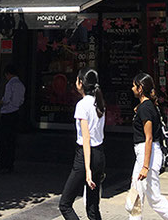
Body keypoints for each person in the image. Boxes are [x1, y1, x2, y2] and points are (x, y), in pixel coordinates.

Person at [130, 73, 168, 220]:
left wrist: (145, 166)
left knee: (154, 198)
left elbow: (149, 138)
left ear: (140, 88)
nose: (132, 88)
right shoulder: (146, 106)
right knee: (137, 192)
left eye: (134, 85)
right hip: (146, 153)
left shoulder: (145, 108)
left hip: (147, 153)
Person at [59, 68, 106, 220]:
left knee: (65, 204)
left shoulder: (82, 105)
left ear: (81, 83)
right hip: (99, 154)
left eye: (77, 80)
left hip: (85, 156)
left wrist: (87, 169)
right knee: (92, 206)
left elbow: (86, 138)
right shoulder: (99, 104)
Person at [0, 64, 25, 172]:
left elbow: (6, 99)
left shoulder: (10, 84)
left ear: (8, 74)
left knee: (2, 139)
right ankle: (10, 164)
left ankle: (4, 163)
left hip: (7, 113)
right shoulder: (21, 85)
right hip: (16, 112)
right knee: (11, 140)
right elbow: (21, 100)